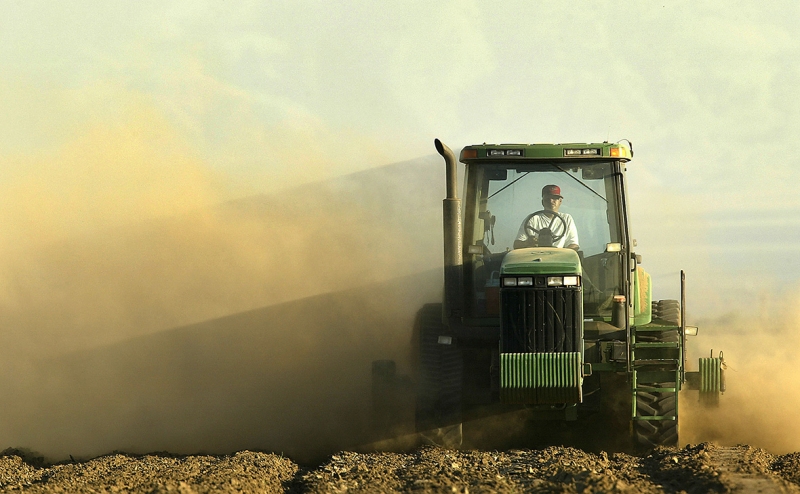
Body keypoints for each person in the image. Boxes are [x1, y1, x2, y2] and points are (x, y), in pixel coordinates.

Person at [513, 185, 579, 250]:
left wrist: (560, 255)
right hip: (535, 257)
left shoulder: (567, 218)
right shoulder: (533, 219)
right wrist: (528, 242)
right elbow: (517, 244)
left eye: (554, 198)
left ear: (560, 201)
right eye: (547, 198)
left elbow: (574, 245)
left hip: (558, 258)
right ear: (542, 202)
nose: (551, 201)